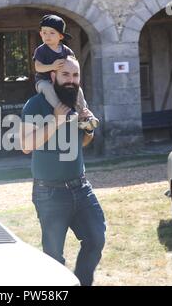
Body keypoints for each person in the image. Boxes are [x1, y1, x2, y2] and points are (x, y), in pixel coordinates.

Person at [20, 56, 106, 286]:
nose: (71, 80)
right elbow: (26, 145)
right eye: (65, 74)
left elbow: (83, 143)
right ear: (53, 76)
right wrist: (57, 121)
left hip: (81, 188)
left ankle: (81, 283)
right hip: (49, 194)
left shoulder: (77, 104)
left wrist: (88, 128)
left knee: (96, 239)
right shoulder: (35, 105)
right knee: (53, 257)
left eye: (75, 75)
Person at [33, 14, 99, 131]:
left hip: (61, 81)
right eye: (44, 32)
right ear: (41, 34)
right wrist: (52, 66)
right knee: (48, 88)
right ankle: (65, 112)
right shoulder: (41, 50)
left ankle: (83, 114)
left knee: (77, 89)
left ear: (60, 36)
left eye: (52, 33)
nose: (47, 36)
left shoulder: (67, 51)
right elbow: (38, 67)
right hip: (44, 80)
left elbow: (72, 64)